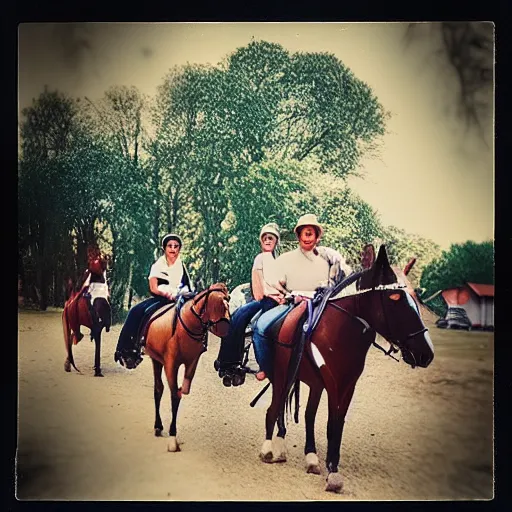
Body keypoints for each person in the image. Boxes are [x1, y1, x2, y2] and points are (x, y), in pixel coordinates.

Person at [251, 213, 351, 381]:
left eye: (311, 233)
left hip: (321, 304)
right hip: (293, 303)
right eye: (304, 233)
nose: (307, 237)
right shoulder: (287, 259)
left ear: (317, 236)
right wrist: (288, 294)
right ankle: (269, 369)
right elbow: (277, 282)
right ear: (298, 235)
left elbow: (345, 274)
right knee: (260, 327)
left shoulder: (328, 255)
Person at [215, 223, 286, 380]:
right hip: (265, 300)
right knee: (240, 319)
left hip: (278, 299)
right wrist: (274, 296)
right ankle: (231, 361)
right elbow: (260, 287)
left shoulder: (277, 261)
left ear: (276, 242)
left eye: (271, 238)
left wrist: (284, 295)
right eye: (265, 238)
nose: (268, 241)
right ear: (261, 241)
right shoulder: (260, 258)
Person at [114, 233, 193, 367]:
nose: (173, 249)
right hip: (163, 299)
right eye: (170, 246)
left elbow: (188, 286)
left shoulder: (182, 266)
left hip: (180, 298)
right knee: (136, 311)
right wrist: (167, 294)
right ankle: (130, 348)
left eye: (176, 246)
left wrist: (184, 294)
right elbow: (153, 288)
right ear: (164, 248)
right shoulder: (158, 266)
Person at [68, 243, 108, 344]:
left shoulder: (97, 262)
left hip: (98, 288)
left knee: (91, 302)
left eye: (90, 253)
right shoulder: (97, 262)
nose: (89, 256)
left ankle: (95, 324)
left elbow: (95, 273)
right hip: (95, 287)